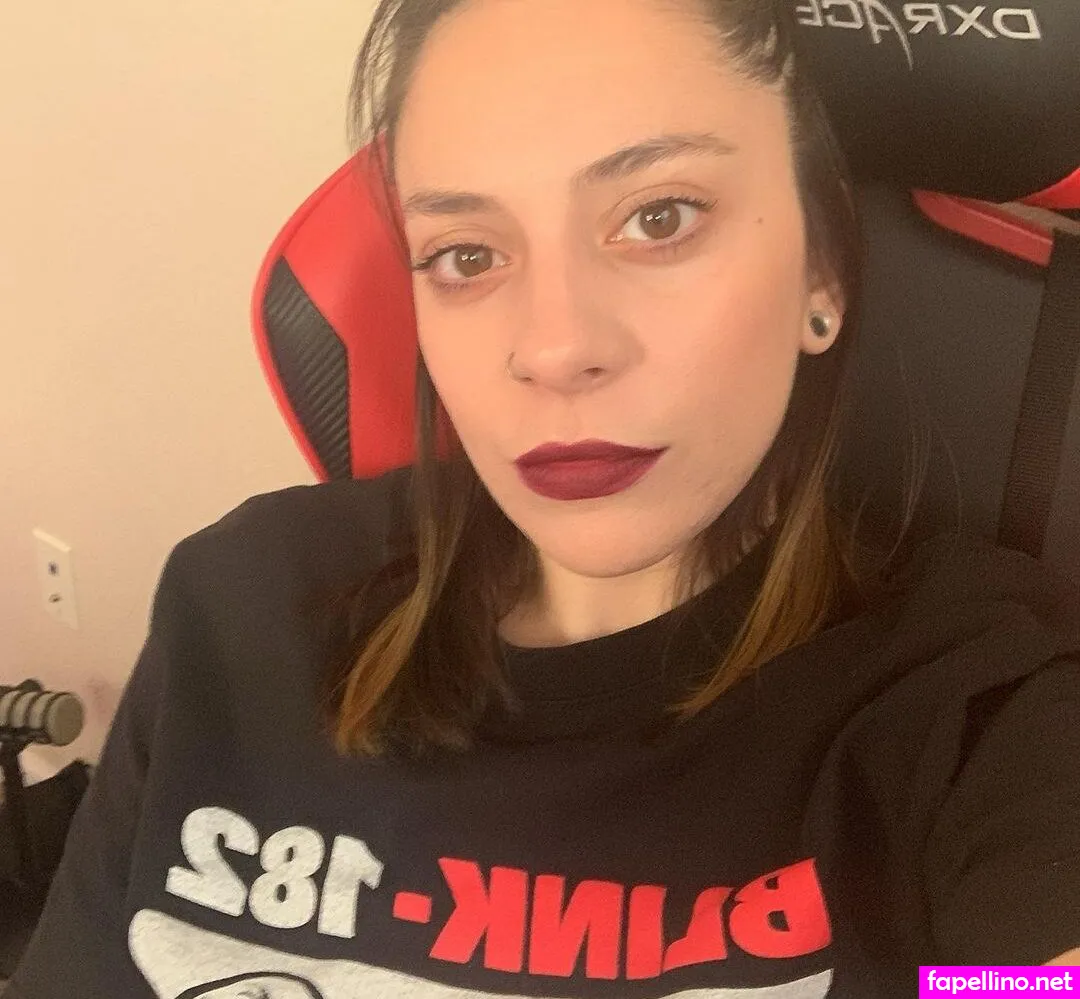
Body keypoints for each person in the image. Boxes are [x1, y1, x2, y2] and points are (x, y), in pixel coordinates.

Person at [7, 0, 1080, 996]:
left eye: (659, 216)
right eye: (467, 254)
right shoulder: (236, 606)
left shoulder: (986, 719)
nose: (556, 348)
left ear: (823, 274)